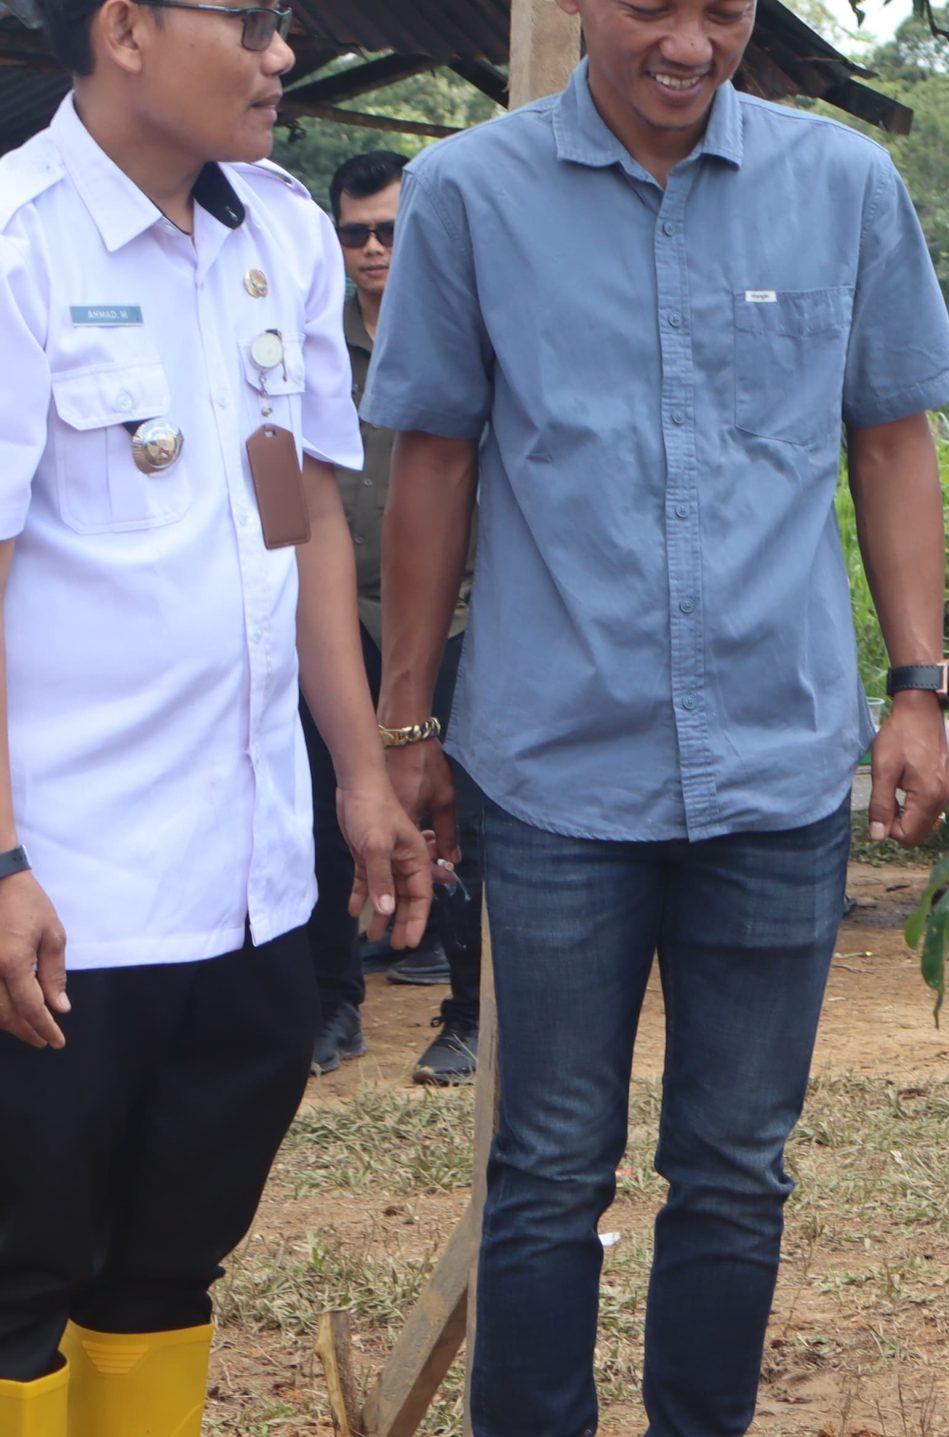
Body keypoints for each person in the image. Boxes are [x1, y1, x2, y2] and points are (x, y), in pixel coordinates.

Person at [360, 0, 949, 1428]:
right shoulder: (468, 193)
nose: (690, 43)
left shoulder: (843, 187)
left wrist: (919, 689)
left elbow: (891, 439)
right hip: (555, 771)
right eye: (652, 6)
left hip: (776, 764)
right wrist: (407, 725)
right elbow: (434, 460)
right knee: (548, 1166)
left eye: (725, 10)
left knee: (738, 1167)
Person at [0, 0, 433, 1431]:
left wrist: (358, 777)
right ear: (124, 27)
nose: (280, 55)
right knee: (19, 1280)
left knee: (169, 1265)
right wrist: (2, 864)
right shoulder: (18, 249)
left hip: (249, 882)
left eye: (282, 21)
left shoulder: (281, 237)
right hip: (67, 896)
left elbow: (295, 517)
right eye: (246, 20)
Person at [303, 148, 486, 1085]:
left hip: (454, 617)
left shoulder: (464, 321)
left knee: (454, 810)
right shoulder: (309, 336)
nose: (373, 249)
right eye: (354, 234)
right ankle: (332, 1004)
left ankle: (470, 1008)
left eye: (389, 229)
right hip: (335, 617)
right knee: (323, 809)